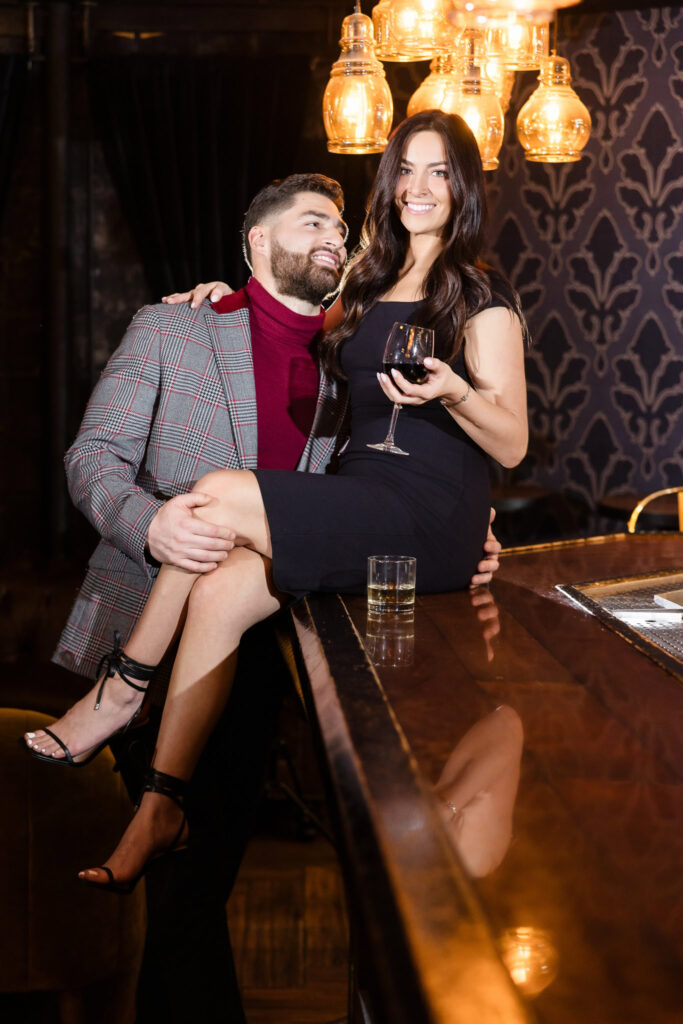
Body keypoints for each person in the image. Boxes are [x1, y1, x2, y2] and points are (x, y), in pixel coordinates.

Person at [25, 160, 502, 1020]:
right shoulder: (174, 328)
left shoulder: (350, 345)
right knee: (176, 890)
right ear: (255, 242)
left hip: (262, 633)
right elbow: (90, 460)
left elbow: (395, 470)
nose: (336, 238)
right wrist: (151, 523)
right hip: (149, 607)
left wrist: (469, 523)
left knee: (201, 873)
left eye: (340, 228)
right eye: (314, 222)